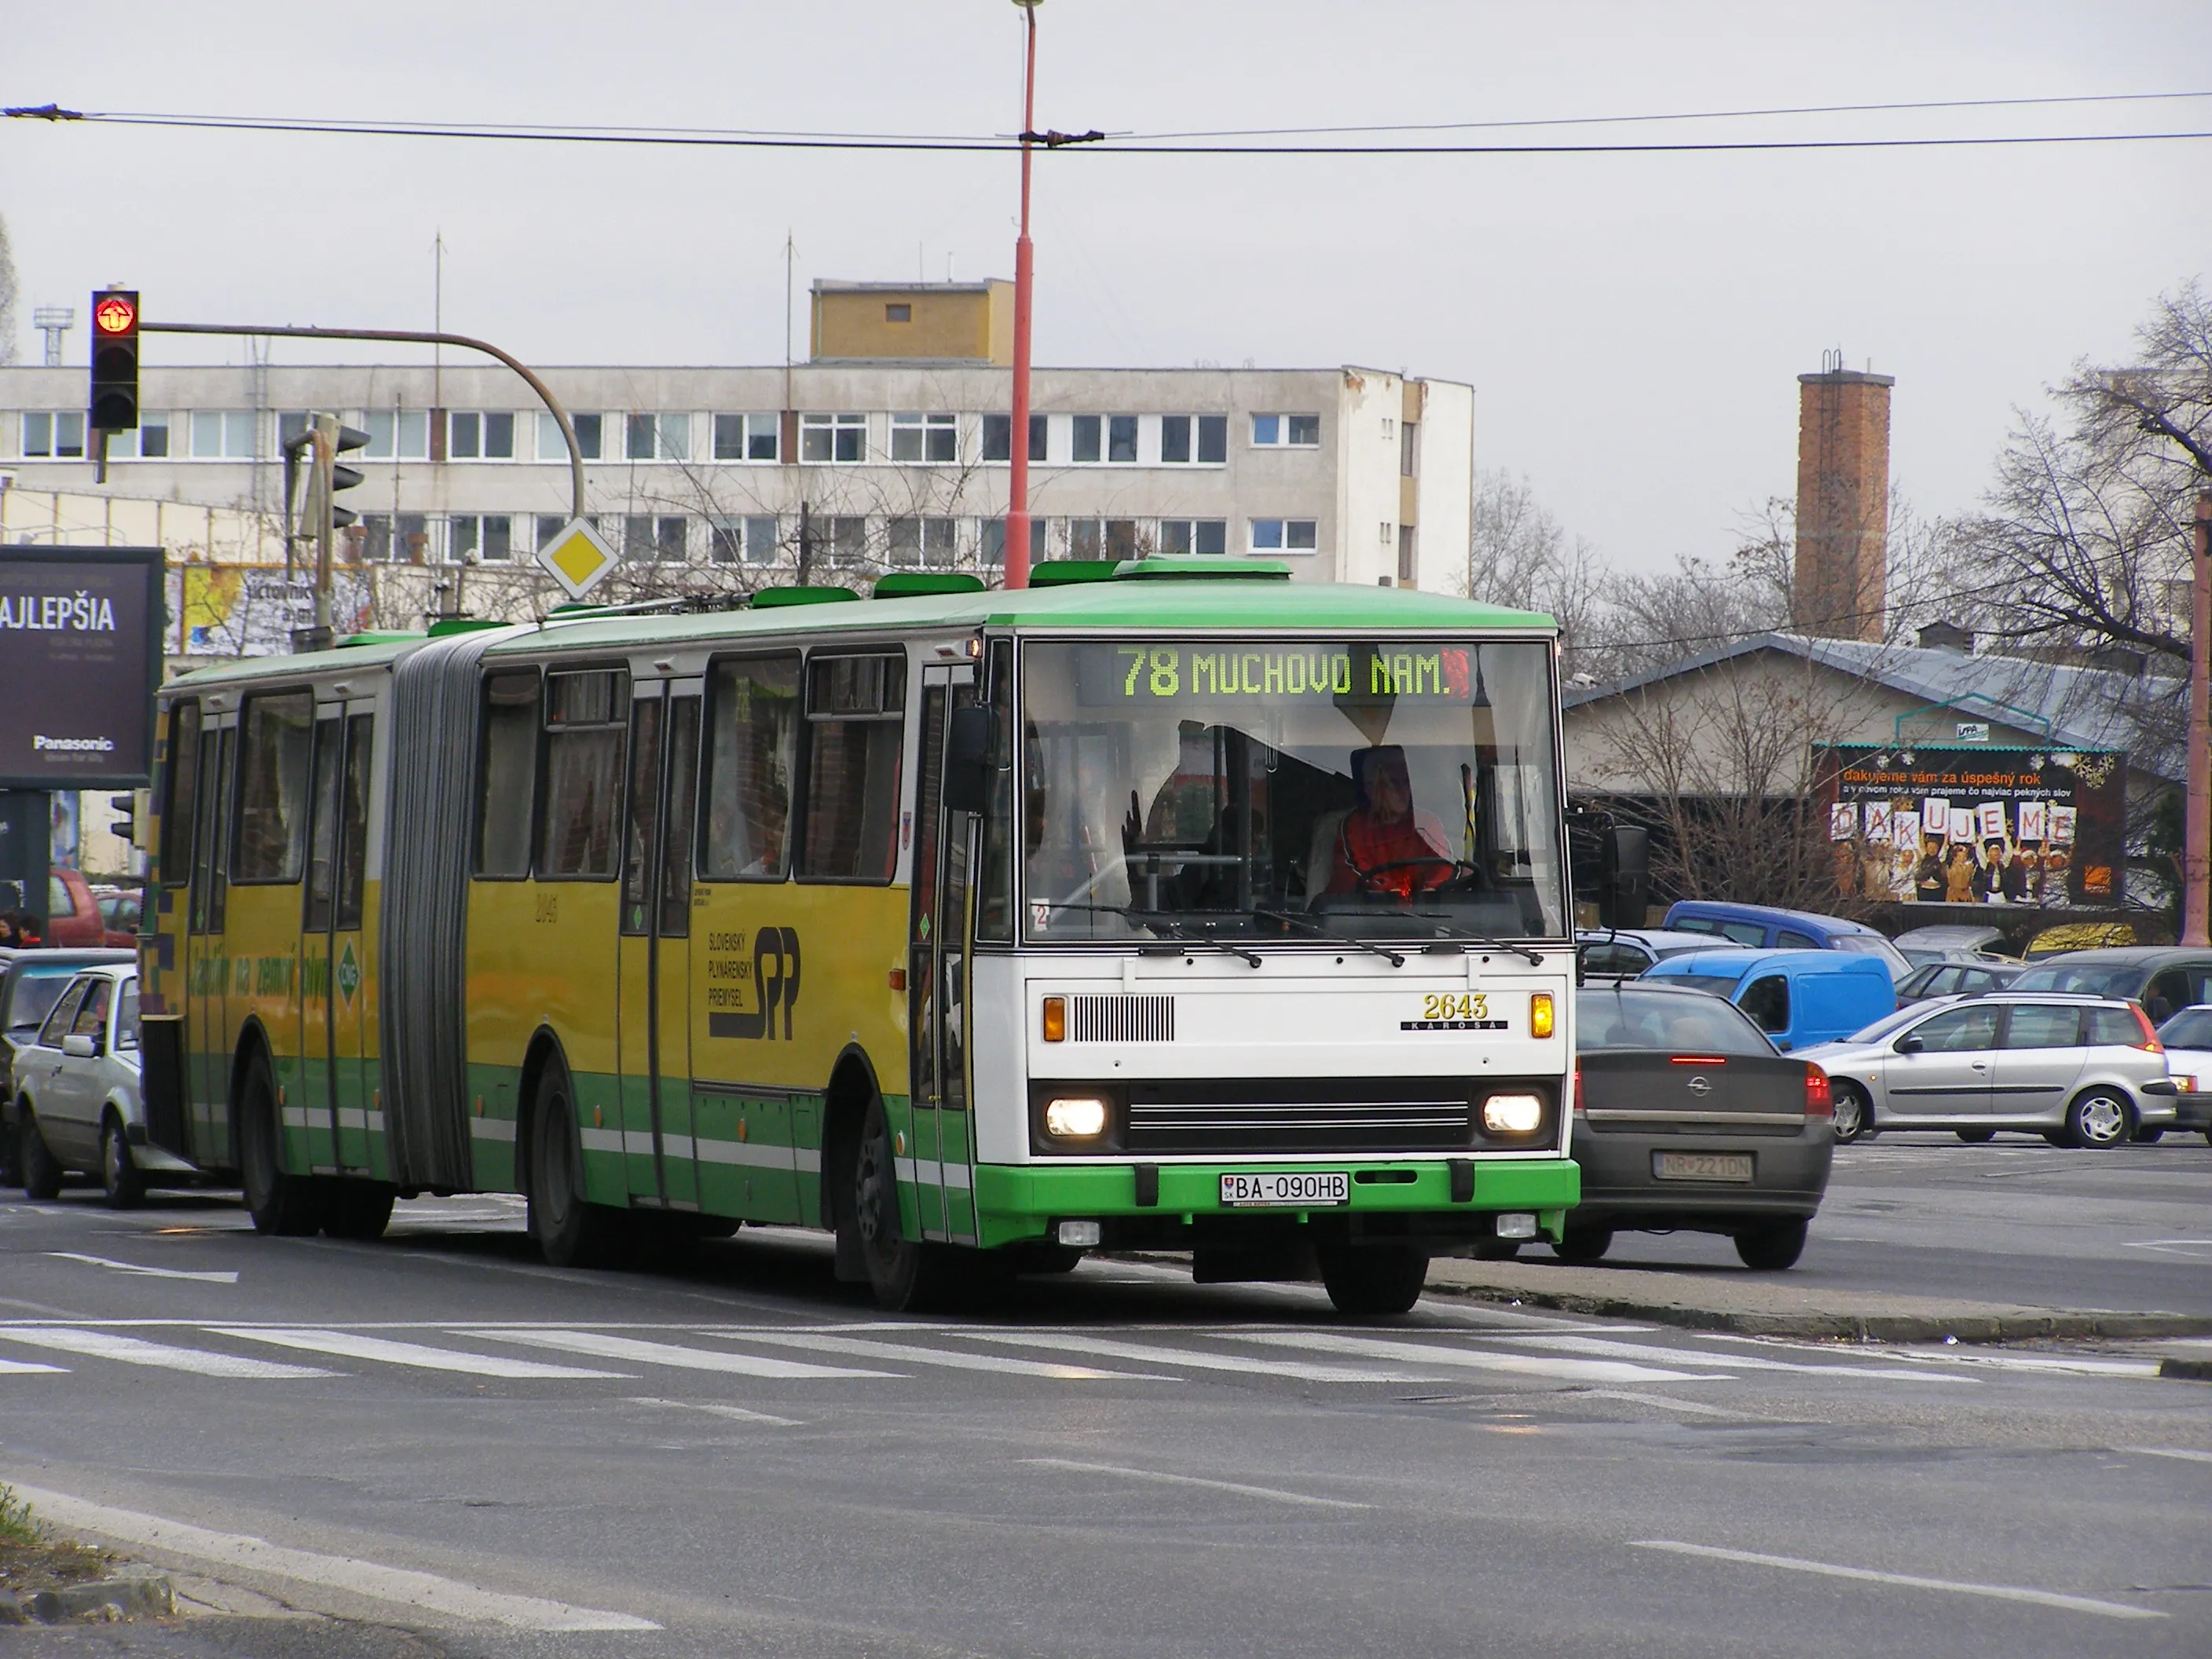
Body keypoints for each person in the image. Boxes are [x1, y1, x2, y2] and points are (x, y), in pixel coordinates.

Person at [1323, 746, 1455, 899]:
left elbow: (1444, 866)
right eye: (1394, 783)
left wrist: (1431, 889)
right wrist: (1394, 894)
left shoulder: (1427, 822)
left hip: (1424, 915)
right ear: (1370, 789)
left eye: (1406, 782)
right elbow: (1356, 877)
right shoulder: (1354, 827)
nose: (1404, 790)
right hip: (1366, 915)